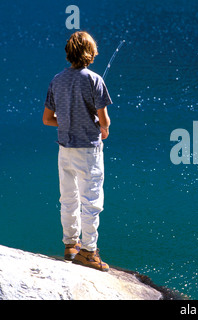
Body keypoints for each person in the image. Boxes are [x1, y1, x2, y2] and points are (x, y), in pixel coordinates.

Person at [42, 31, 112, 272]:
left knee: (68, 198)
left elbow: (47, 119)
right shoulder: (95, 80)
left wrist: (69, 121)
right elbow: (104, 121)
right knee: (91, 201)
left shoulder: (56, 80)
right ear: (90, 53)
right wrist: (103, 128)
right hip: (88, 152)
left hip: (65, 150)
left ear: (69, 53)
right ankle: (89, 252)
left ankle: (70, 245)